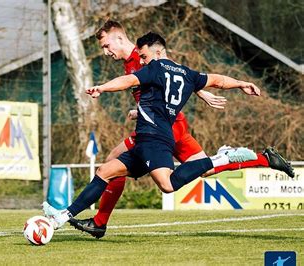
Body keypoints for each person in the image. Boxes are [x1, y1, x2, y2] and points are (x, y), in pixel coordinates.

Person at [44, 31, 295, 232]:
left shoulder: (151, 65)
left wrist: (102, 88)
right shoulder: (185, 71)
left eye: (144, 57)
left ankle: (224, 157)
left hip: (159, 133)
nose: (140, 62)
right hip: (157, 131)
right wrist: (240, 83)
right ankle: (63, 217)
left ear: (156, 52)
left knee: (167, 184)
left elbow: (130, 81)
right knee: (106, 169)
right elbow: (215, 78)